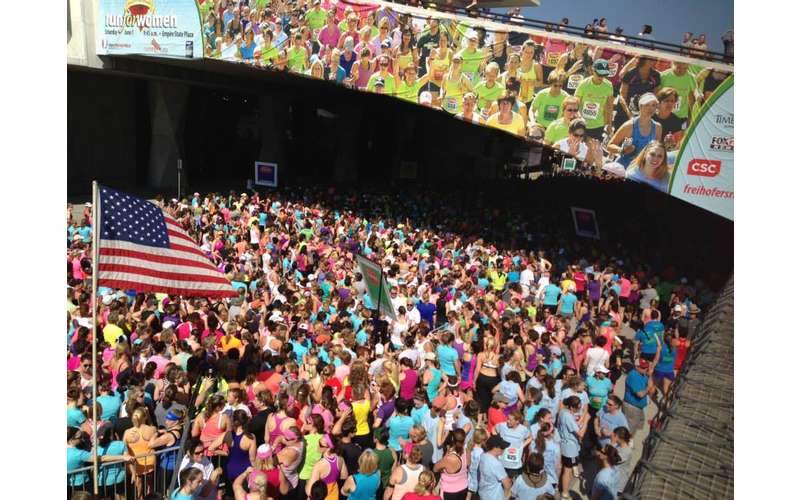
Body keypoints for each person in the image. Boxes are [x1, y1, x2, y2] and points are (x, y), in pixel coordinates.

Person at [608, 93, 662, 168]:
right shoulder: (629, 125)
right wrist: (622, 150)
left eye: (653, 105)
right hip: (624, 167)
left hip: (643, 169)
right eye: (647, 105)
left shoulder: (658, 127)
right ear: (640, 106)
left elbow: (657, 150)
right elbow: (610, 145)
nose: (651, 108)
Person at [574, 59, 614, 143]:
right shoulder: (583, 84)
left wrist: (609, 125)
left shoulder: (608, 86)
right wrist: (579, 119)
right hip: (582, 124)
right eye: (599, 74)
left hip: (598, 125)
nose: (601, 77)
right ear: (593, 70)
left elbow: (609, 107)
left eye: (604, 75)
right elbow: (575, 104)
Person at [557, 396, 589, 499]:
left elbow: (574, 425)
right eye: (577, 408)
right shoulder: (567, 416)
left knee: (566, 468)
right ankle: (565, 493)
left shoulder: (563, 412)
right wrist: (587, 420)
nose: (579, 410)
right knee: (567, 470)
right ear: (571, 407)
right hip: (570, 448)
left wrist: (583, 417)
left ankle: (561, 487)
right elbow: (580, 433)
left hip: (565, 445)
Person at [304, 433, 348, 500]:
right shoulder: (340, 459)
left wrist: (307, 483)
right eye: (318, 442)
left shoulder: (319, 465)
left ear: (328, 448)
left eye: (321, 445)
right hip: (334, 496)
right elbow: (344, 476)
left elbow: (309, 491)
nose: (318, 445)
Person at [494, 409, 531, 480]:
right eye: (507, 419)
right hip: (502, 460)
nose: (508, 421)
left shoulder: (523, 430)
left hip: (514, 463)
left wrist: (522, 446)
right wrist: (497, 439)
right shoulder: (502, 426)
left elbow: (530, 438)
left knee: (510, 481)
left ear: (517, 421)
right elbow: (494, 429)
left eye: (510, 420)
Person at [434, 427, 469, 500]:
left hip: (450, 491)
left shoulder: (450, 458)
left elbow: (435, 468)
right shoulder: (467, 451)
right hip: (463, 487)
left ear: (452, 439)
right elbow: (468, 465)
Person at [658, 62, 697, 127]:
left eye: (685, 68)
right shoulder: (663, 76)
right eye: (678, 68)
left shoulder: (691, 78)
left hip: (681, 118)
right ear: (672, 64)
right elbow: (657, 97)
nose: (681, 71)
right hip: (663, 117)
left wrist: (689, 121)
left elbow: (691, 102)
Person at [623, 359, 654, 437]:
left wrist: (650, 375)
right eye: (643, 367)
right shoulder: (633, 376)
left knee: (638, 425)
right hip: (632, 407)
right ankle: (625, 442)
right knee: (629, 429)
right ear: (636, 367)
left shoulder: (642, 374)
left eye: (646, 367)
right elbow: (640, 394)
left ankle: (628, 439)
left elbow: (651, 388)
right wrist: (648, 388)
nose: (645, 369)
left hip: (638, 407)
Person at [477, 435, 513, 500]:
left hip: (483, 494)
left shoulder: (483, 456)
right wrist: (505, 497)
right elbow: (507, 485)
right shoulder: (496, 464)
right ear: (495, 447)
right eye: (502, 447)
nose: (504, 449)